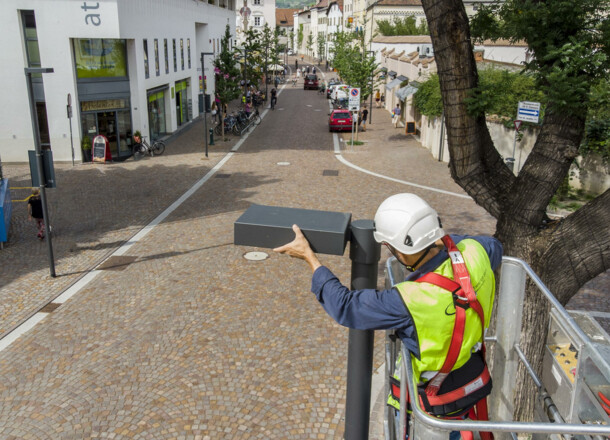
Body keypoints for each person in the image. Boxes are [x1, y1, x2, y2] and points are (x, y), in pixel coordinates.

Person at [274, 193, 502, 440]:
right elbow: (493, 247)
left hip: (433, 408)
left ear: (400, 251)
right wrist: (442, 241)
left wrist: (310, 258)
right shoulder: (478, 253)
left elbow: (346, 306)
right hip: (468, 383)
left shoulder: (410, 300)